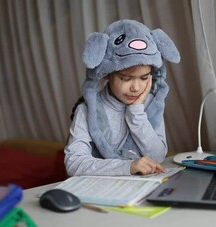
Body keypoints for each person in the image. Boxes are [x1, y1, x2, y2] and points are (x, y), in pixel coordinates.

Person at [64, 19, 180, 176]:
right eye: (126, 79)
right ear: (107, 74)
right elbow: (74, 163)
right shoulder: (87, 110)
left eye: (144, 78)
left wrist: (137, 113)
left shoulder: (150, 105)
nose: (136, 88)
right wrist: (128, 166)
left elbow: (157, 157)